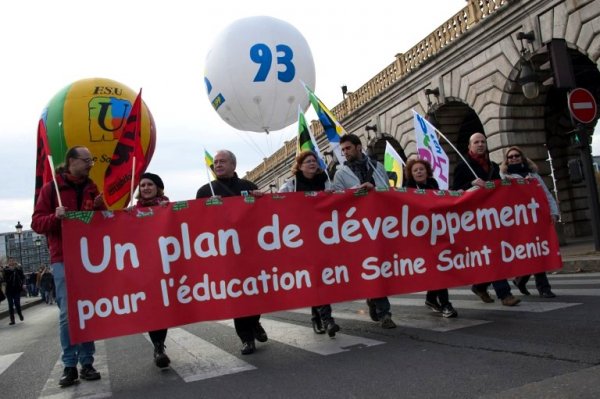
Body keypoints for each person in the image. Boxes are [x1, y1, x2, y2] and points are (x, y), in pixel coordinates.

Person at [32, 145, 105, 387]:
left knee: (87, 310)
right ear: (72, 161)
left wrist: (99, 208)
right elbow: (37, 223)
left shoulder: (91, 187)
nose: (90, 164)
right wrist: (56, 216)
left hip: (88, 258)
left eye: (91, 161)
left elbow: (99, 224)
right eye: (86, 160)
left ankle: (87, 362)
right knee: (67, 314)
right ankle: (70, 364)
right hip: (63, 257)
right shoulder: (51, 188)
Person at [196, 150, 268, 355]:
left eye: (222, 161)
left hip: (251, 250)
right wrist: (207, 208)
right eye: (215, 162)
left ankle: (255, 323)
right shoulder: (204, 191)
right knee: (238, 297)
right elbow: (197, 222)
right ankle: (246, 339)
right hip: (226, 254)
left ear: (233, 165)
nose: (217, 165)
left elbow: (263, 216)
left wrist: (260, 199)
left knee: (255, 292)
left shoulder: (248, 187)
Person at [332, 134, 397, 329]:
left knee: (380, 268)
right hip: (357, 228)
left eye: (348, 148)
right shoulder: (340, 173)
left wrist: (374, 189)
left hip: (378, 224)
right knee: (372, 267)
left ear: (359, 147)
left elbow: (387, 191)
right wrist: (356, 193)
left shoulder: (376, 167)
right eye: (342, 150)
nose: (345, 153)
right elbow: (337, 199)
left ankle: (373, 298)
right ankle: (385, 313)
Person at [452, 132, 521, 306]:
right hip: (474, 219)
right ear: (470, 146)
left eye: (483, 142)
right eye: (476, 142)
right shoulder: (462, 166)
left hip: (493, 217)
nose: (480, 144)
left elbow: (499, 187)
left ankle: (480, 286)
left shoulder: (493, 166)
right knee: (492, 255)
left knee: (493, 255)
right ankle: (505, 294)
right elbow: (455, 191)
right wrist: (470, 185)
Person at [279, 151, 341, 337]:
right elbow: (278, 204)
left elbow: (337, 199)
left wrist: (332, 195)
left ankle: (317, 317)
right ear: (299, 165)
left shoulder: (325, 180)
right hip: (302, 237)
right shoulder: (291, 184)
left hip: (324, 235)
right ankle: (327, 320)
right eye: (308, 161)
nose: (312, 164)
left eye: (314, 161)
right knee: (316, 275)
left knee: (321, 276)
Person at [500, 146, 558, 298]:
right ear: (506, 160)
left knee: (537, 250)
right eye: (510, 157)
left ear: (522, 157)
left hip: (535, 218)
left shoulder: (533, 175)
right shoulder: (504, 176)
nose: (514, 158)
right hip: (517, 221)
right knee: (526, 252)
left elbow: (546, 193)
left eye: (516, 155)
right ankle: (521, 280)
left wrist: (553, 212)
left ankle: (543, 288)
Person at [404, 159, 458, 318]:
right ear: (411, 174)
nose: (419, 172)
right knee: (437, 268)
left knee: (439, 267)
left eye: (421, 169)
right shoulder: (408, 189)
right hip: (421, 236)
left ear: (427, 171)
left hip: (437, 232)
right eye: (415, 170)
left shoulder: (434, 184)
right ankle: (446, 304)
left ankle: (431, 299)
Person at [135, 172, 172, 367]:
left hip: (166, 265)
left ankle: (160, 344)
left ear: (158, 187)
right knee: (153, 307)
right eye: (142, 185)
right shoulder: (132, 213)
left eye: (150, 184)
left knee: (163, 307)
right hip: (145, 268)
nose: (146, 188)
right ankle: (158, 347)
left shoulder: (169, 207)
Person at [2, 259, 25, 325]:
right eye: (10, 261)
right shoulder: (6, 270)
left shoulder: (18, 269)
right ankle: (12, 320)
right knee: (10, 305)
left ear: (14, 262)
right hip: (9, 290)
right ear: (8, 263)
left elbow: (22, 277)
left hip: (16, 289)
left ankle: (20, 314)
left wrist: (23, 284)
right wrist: (9, 270)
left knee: (17, 303)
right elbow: (4, 278)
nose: (11, 262)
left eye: (12, 261)